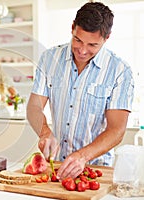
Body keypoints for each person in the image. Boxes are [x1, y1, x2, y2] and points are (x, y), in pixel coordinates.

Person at [26, 2, 134, 180]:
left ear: (106, 38)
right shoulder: (49, 59)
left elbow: (117, 130)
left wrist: (82, 156)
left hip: (95, 171)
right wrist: (45, 132)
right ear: (72, 28)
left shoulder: (120, 71)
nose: (82, 50)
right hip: (58, 167)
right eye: (78, 40)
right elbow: (34, 107)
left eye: (92, 45)